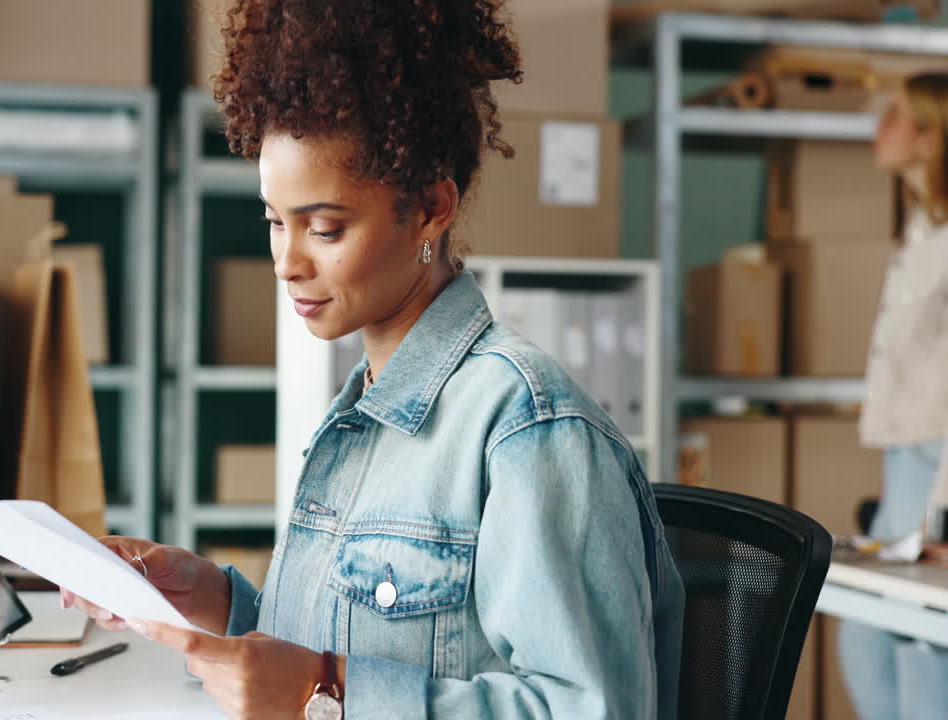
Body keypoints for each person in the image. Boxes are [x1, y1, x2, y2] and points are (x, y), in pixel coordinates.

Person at [61, 1, 685, 717]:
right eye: (274, 222)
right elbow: (359, 642)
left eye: (325, 228)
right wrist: (213, 598)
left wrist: (323, 689)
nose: (286, 263)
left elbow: (591, 708)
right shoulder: (363, 414)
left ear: (429, 209)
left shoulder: (528, 428)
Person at [840, 72, 948, 720]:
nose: (880, 130)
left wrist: (943, 517)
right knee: (863, 638)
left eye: (897, 117)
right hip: (902, 461)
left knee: (919, 646)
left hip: (935, 469)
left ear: (932, 138)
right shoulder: (919, 227)